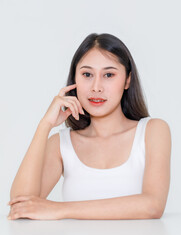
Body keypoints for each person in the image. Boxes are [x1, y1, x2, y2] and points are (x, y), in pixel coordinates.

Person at [7, 33, 171, 220]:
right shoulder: (61, 144)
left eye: (109, 75)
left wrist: (60, 209)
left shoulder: (153, 131)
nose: (96, 87)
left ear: (127, 80)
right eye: (87, 74)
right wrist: (45, 125)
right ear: (74, 80)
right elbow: (20, 206)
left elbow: (152, 206)